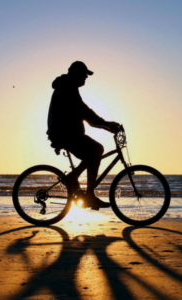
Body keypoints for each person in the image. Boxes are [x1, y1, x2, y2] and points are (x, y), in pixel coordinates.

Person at [47, 61, 120, 209]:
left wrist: (105, 125)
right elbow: (85, 112)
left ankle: (72, 177)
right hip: (65, 134)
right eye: (84, 74)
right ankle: (90, 195)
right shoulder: (67, 87)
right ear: (74, 73)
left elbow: (84, 113)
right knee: (96, 150)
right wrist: (106, 124)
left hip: (66, 133)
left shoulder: (67, 86)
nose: (86, 77)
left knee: (95, 151)